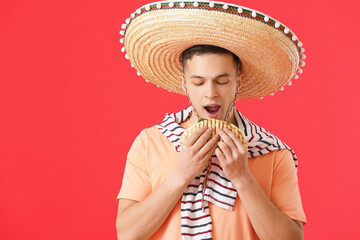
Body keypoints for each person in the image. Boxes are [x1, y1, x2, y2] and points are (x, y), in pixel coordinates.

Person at [116, 1, 307, 240]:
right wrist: (181, 174)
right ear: (184, 83)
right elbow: (126, 234)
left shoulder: (273, 152)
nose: (210, 93)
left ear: (239, 80)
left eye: (222, 81)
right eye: (198, 82)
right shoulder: (150, 142)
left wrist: (242, 177)